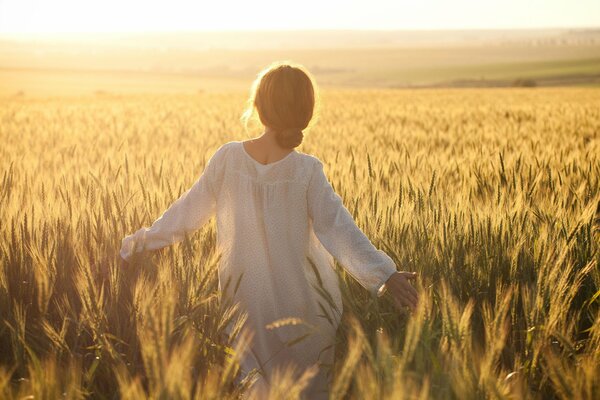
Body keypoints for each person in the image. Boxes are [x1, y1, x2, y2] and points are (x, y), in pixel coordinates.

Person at [117, 61, 419, 399]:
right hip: (307, 312)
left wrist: (135, 245)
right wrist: (384, 276)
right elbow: (339, 231)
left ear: (259, 108)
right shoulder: (307, 171)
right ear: (306, 113)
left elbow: (185, 214)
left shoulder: (228, 159)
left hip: (245, 309)